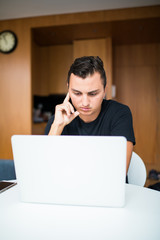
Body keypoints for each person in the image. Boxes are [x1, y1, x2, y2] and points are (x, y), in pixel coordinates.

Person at [45, 56, 135, 173]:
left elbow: (118, 172)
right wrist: (57, 127)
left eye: (93, 94)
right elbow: (45, 169)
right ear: (68, 89)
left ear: (104, 90)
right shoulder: (58, 120)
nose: (85, 103)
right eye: (77, 93)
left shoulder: (120, 114)